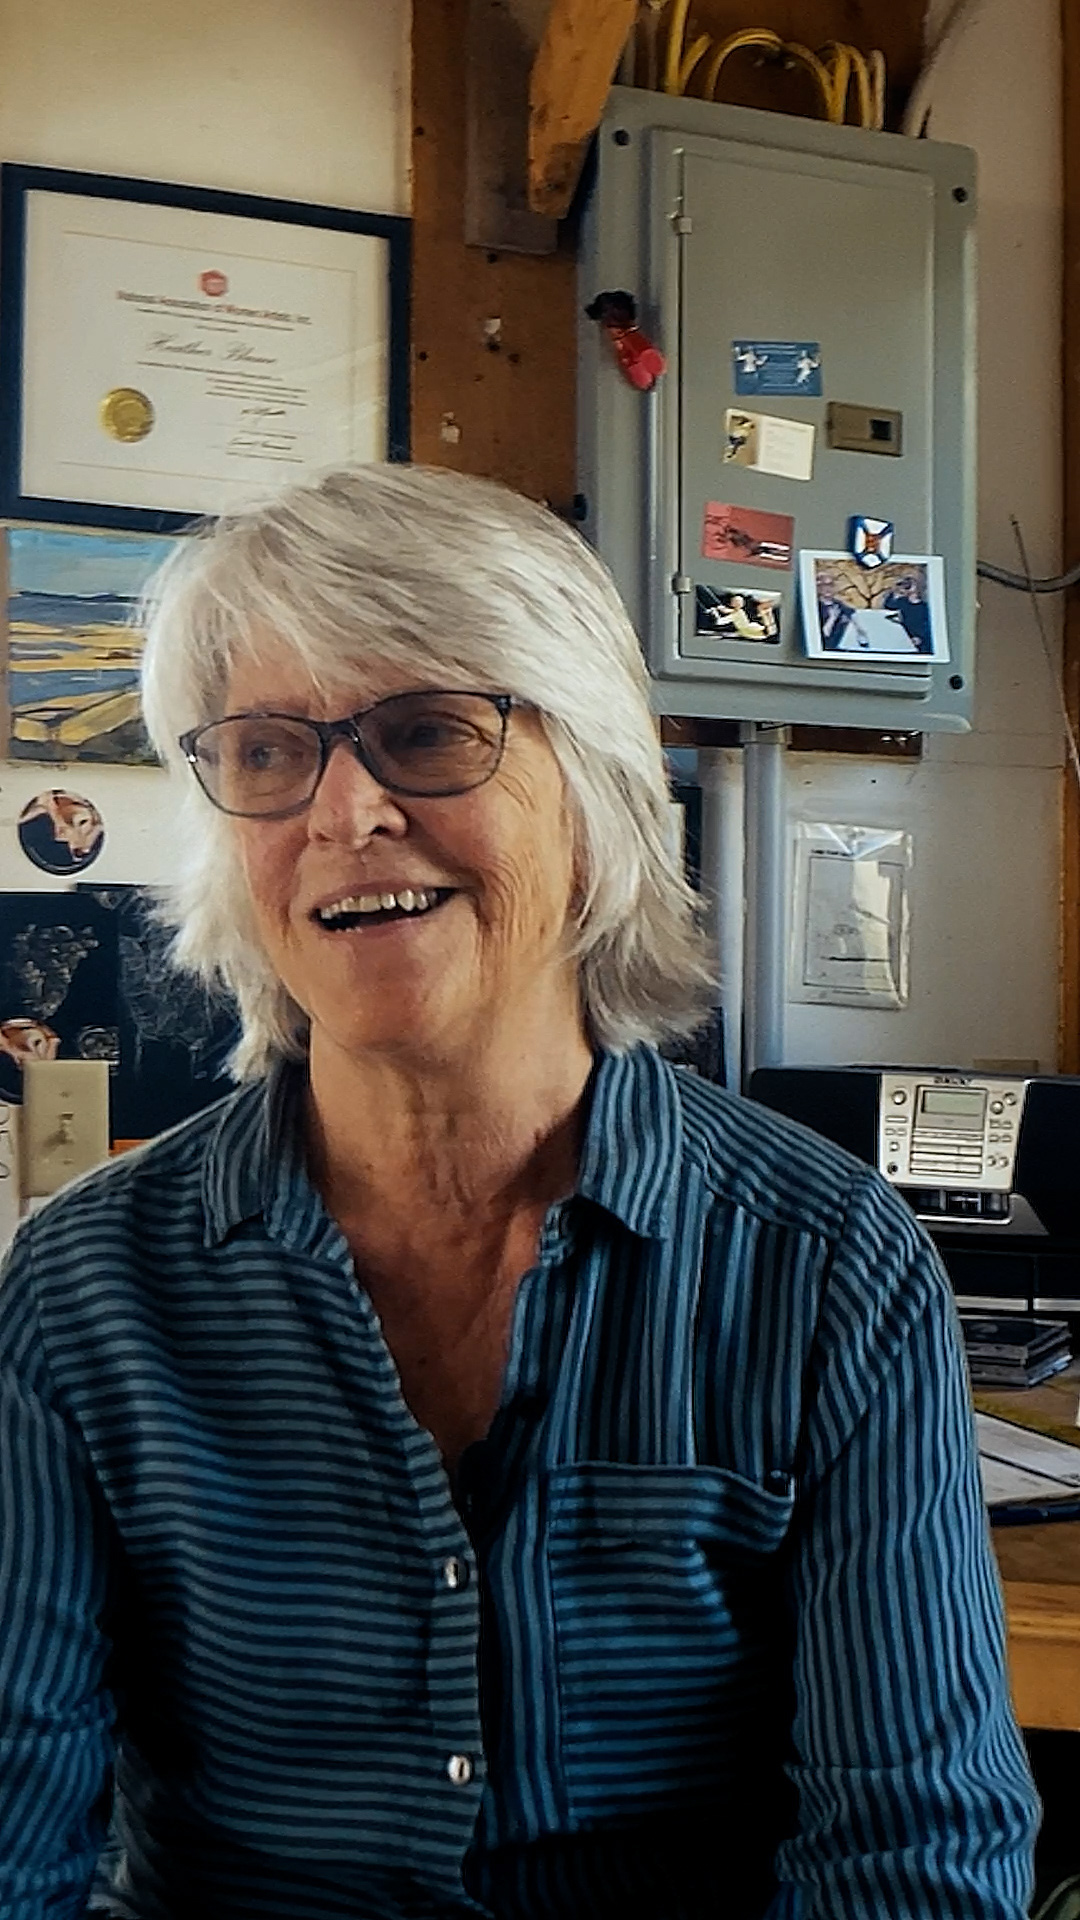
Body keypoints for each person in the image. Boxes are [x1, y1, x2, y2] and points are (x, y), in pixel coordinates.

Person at [0, 465, 1037, 1920]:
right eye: (269, 752)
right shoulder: (84, 1290)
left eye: (428, 731)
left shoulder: (827, 1266)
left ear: (596, 791)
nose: (345, 810)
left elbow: (912, 1857)